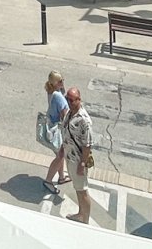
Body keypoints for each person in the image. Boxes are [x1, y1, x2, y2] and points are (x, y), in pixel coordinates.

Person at [64, 87, 96, 224]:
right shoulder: (70, 113)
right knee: (78, 188)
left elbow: (87, 145)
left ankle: (85, 218)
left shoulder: (84, 120)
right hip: (69, 157)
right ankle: (81, 213)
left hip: (78, 161)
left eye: (72, 100)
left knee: (82, 190)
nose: (69, 102)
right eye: (67, 99)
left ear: (79, 100)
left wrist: (82, 165)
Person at [43, 71, 71, 194]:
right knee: (60, 156)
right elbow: (65, 116)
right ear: (55, 83)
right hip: (58, 131)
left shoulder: (51, 91)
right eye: (60, 81)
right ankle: (48, 181)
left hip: (51, 127)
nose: (62, 82)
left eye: (62, 80)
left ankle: (61, 177)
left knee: (60, 154)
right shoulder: (59, 96)